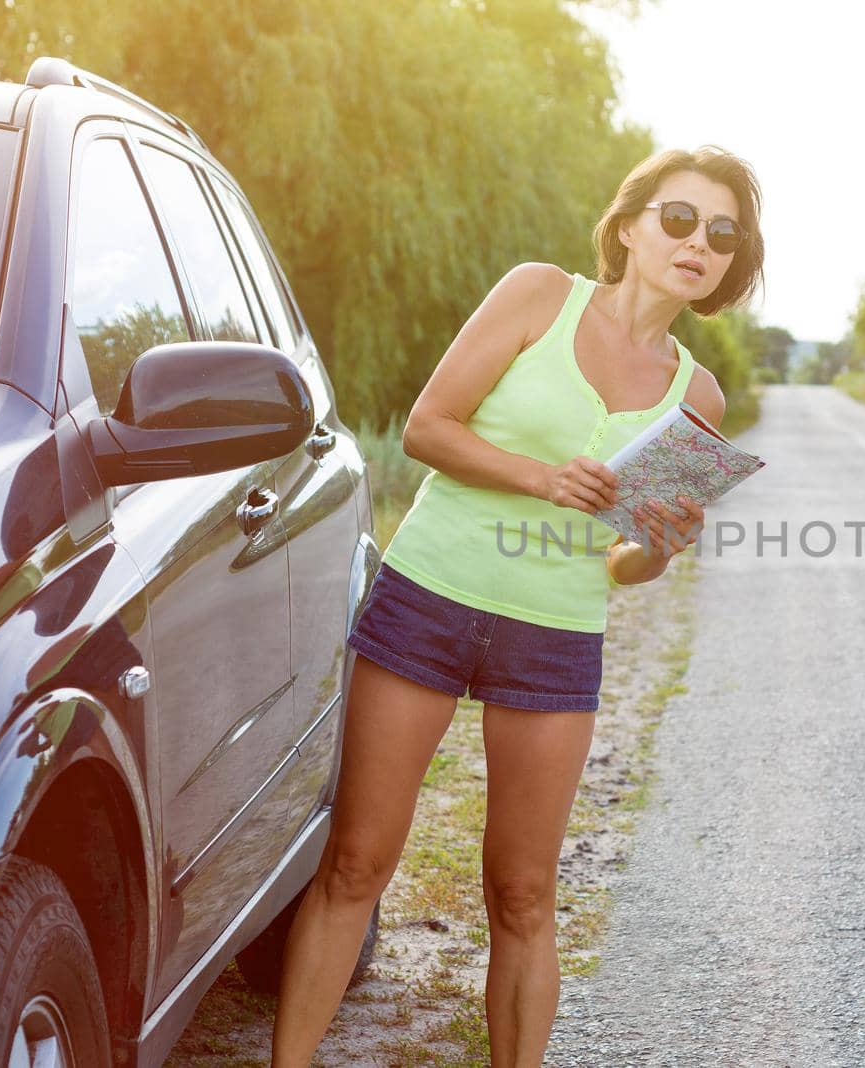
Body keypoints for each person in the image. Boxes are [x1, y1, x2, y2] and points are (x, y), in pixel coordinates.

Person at [270, 145, 765, 1067]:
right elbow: (426, 429)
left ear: (733, 262)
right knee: (357, 865)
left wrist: (657, 544)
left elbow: (624, 567)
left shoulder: (698, 394)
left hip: (556, 636)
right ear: (628, 227)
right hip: (429, 598)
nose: (700, 242)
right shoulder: (541, 294)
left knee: (526, 898)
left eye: (724, 232)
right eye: (680, 218)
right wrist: (542, 477)